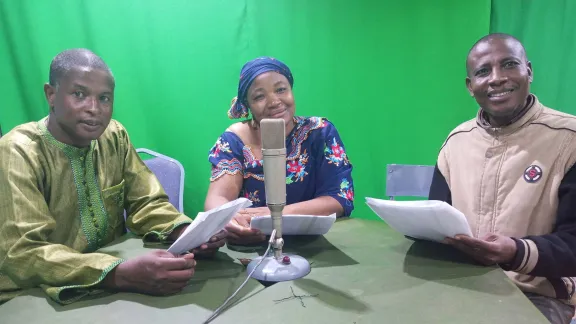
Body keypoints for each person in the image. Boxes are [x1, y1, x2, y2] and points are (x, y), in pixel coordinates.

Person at [0, 49, 226, 305]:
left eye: (104, 98)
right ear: (51, 95)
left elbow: (146, 202)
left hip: (108, 285)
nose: (94, 108)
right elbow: (23, 253)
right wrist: (119, 273)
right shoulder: (19, 152)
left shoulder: (114, 136)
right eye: (79, 94)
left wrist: (187, 234)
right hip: (33, 294)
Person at [429, 33, 576, 324]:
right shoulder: (455, 143)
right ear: (471, 87)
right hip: (461, 281)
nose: (496, 78)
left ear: (529, 71)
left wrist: (515, 251)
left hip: (536, 292)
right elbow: (436, 220)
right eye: (483, 71)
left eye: (509, 64)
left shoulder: (569, 141)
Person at [205, 57, 354, 244]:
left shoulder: (319, 132)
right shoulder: (234, 140)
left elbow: (339, 198)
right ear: (248, 104)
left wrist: (274, 215)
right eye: (259, 96)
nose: (274, 101)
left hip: (313, 243)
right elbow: (217, 198)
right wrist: (229, 220)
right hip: (251, 246)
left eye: (281, 89)